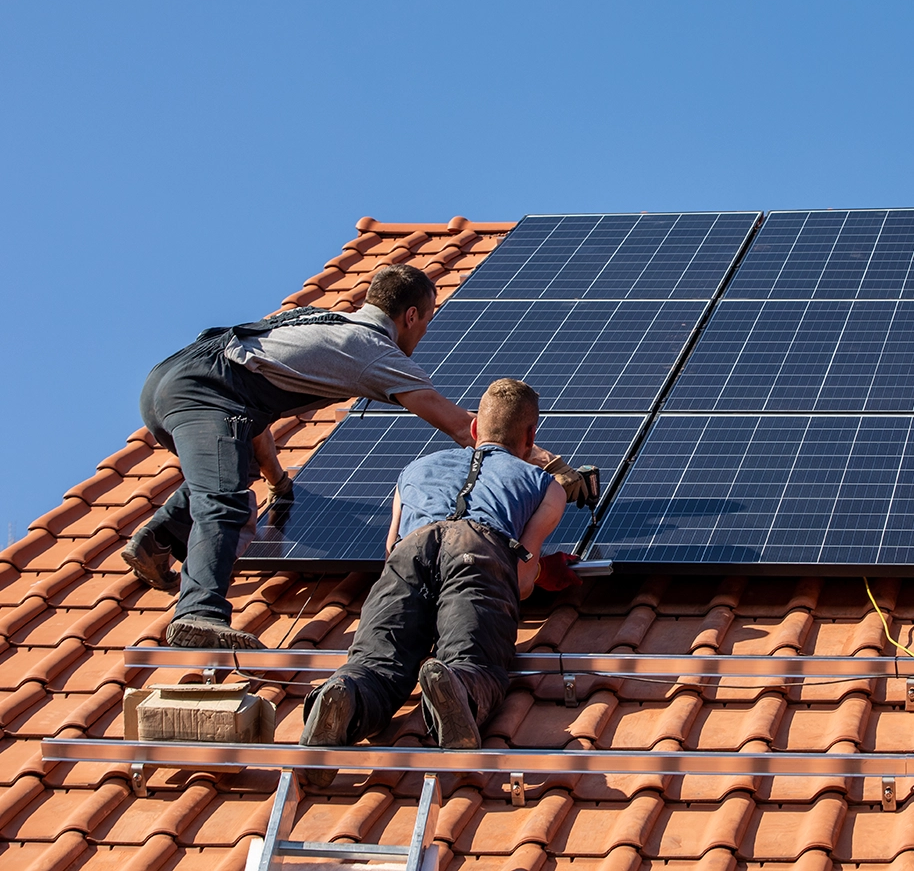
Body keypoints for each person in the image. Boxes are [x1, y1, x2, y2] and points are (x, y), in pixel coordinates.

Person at [124, 266, 585, 649]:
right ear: (408, 316)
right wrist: (547, 462)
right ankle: (199, 617)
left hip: (174, 380)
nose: (424, 332)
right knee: (224, 501)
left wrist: (279, 483)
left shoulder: (315, 321)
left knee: (228, 469)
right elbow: (460, 424)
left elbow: (251, 421)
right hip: (205, 392)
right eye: (425, 321)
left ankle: (158, 540)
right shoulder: (372, 351)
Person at [299, 378, 582, 785]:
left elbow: (391, 550)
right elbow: (521, 580)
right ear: (531, 436)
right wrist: (541, 574)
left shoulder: (414, 469)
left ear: (473, 429)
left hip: (411, 549)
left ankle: (347, 693)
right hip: (480, 547)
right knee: (475, 660)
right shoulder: (545, 485)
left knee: (376, 664)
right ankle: (457, 685)